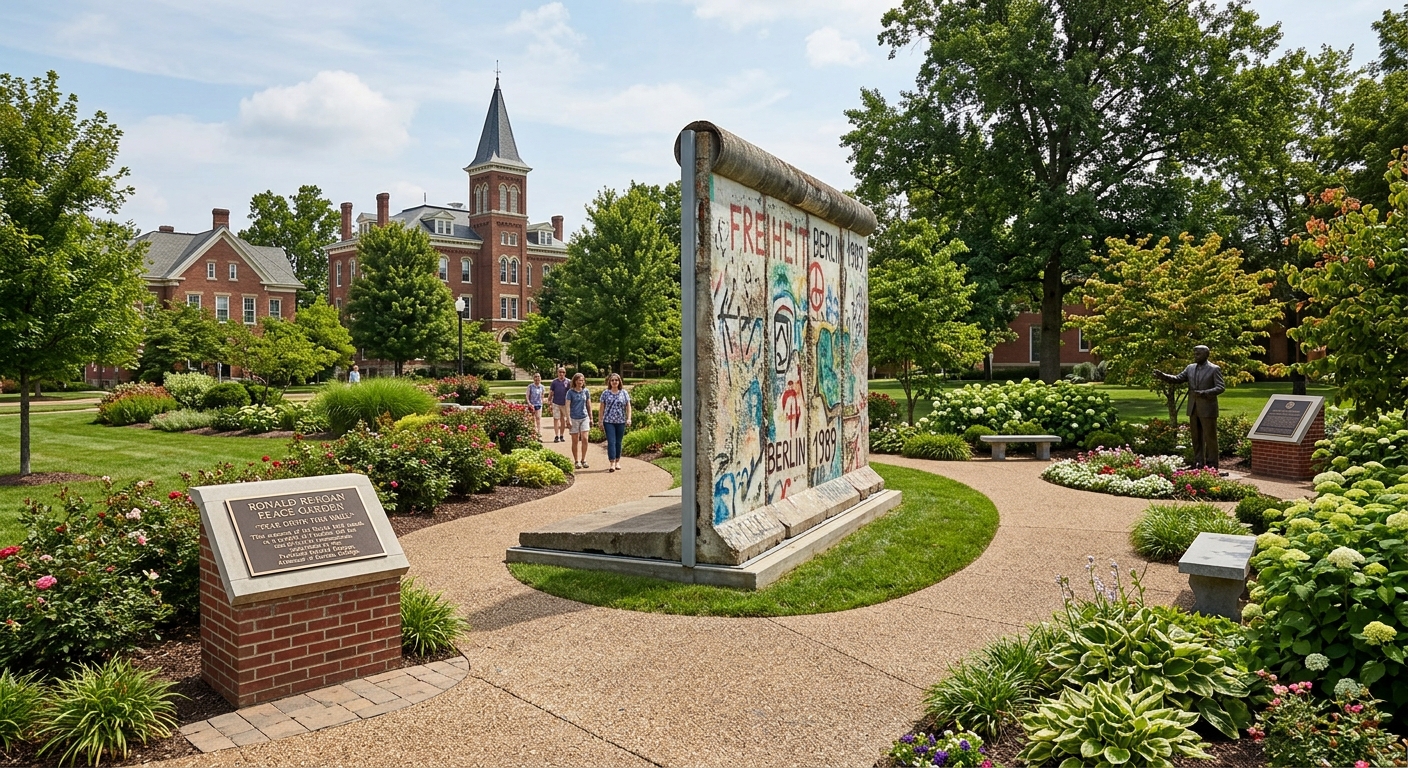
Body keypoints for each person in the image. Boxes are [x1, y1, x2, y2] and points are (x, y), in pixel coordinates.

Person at [1155, 345, 1226, 470]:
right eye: (1195, 354)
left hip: (1208, 408)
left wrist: (1204, 393)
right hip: (1193, 408)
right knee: (1196, 437)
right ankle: (1198, 463)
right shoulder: (1190, 368)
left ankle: (1212, 465)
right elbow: (1177, 379)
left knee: (1210, 438)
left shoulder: (1214, 369)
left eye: (1198, 354)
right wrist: (1163, 376)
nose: (1195, 356)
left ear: (1206, 355)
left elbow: (1220, 387)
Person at [599, 372, 632, 473]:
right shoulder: (605, 393)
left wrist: (629, 418)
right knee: (611, 442)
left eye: (616, 380)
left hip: (621, 421)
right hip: (608, 421)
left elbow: (628, 406)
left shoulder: (624, 393)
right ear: (610, 381)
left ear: (619, 382)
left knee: (618, 442)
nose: (614, 382)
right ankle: (612, 462)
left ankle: (618, 461)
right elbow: (601, 408)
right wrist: (600, 421)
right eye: (612, 380)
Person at [566, 373, 592, 469]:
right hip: (574, 418)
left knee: (585, 438)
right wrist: (568, 419)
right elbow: (567, 406)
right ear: (575, 381)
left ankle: (583, 459)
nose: (580, 382)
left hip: (584, 417)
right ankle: (576, 461)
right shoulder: (570, 392)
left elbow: (589, 404)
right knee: (575, 440)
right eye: (578, 380)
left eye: (582, 380)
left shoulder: (586, 391)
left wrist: (591, 417)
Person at [549, 367, 570, 443]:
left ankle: (561, 435)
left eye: (563, 372)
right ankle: (556, 435)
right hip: (556, 403)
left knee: (563, 419)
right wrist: (549, 401)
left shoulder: (568, 382)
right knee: (556, 419)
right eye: (560, 372)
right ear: (557, 373)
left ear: (565, 373)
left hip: (564, 404)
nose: (561, 374)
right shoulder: (554, 382)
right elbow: (551, 392)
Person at [525, 373, 545, 440]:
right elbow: (527, 396)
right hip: (532, 405)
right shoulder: (530, 386)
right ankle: (533, 433)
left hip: (538, 404)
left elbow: (542, 396)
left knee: (538, 418)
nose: (537, 378)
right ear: (533, 378)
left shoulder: (542, 387)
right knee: (532, 419)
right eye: (536, 377)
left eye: (538, 377)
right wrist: (529, 403)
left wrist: (542, 402)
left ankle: (539, 433)